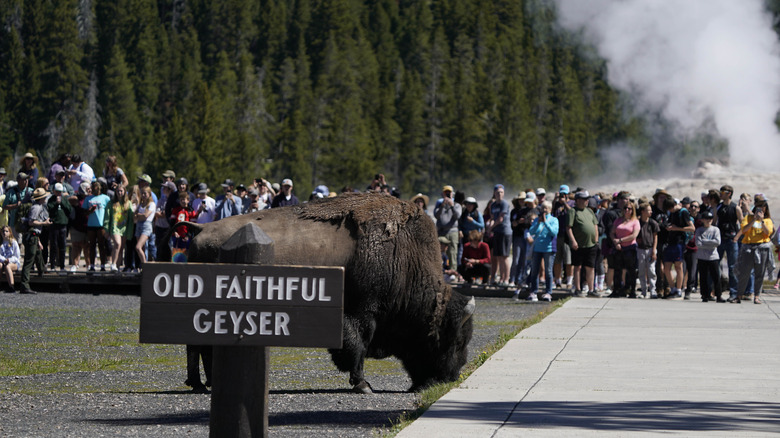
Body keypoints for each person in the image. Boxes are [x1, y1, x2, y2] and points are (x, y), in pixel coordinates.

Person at [732, 199, 774, 304]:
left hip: (762, 247)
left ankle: (757, 296)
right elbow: (744, 230)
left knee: (760, 273)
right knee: (744, 273)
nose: (760, 211)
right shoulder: (748, 218)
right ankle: (739, 295)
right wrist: (754, 220)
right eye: (759, 208)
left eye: (763, 209)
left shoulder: (768, 220)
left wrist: (762, 221)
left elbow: (768, 232)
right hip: (749, 248)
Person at [567, 191, 601, 297]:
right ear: (577, 200)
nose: (587, 201)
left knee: (590, 267)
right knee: (577, 267)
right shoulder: (573, 211)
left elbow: (595, 225)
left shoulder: (590, 211)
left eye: (587, 199)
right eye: (584, 199)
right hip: (578, 244)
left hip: (591, 244)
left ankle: (591, 289)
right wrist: (573, 240)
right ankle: (577, 288)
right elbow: (569, 227)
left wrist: (596, 239)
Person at [662, 196, 695, 300]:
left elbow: (692, 228)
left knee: (678, 266)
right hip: (670, 242)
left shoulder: (683, 212)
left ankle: (679, 290)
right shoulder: (672, 213)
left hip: (679, 243)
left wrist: (677, 228)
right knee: (666, 268)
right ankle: (672, 289)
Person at [19, 188, 51, 294]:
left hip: (34, 236)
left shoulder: (39, 206)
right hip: (31, 236)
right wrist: (44, 224)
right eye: (44, 196)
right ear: (41, 198)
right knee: (29, 260)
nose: (46, 198)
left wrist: (38, 240)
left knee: (38, 254)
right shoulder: (36, 208)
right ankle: (24, 285)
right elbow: (31, 223)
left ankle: (42, 272)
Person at [716, 185, 743, 302]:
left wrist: (737, 237)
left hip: (732, 240)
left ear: (729, 193)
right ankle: (716, 292)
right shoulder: (719, 207)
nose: (721, 194)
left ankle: (734, 293)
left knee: (732, 267)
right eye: (720, 191)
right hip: (720, 239)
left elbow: (743, 224)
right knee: (715, 265)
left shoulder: (736, 207)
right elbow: (714, 222)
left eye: (723, 192)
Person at [527, 200, 558, 302]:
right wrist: (538, 223)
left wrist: (546, 222)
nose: (544, 210)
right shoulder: (537, 219)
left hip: (548, 249)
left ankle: (548, 292)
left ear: (550, 209)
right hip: (537, 248)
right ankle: (533, 292)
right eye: (542, 208)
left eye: (546, 208)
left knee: (548, 271)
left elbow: (554, 232)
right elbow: (531, 231)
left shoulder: (554, 220)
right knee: (534, 270)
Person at [609, 199, 640, 297]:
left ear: (632, 210)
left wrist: (620, 240)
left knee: (631, 270)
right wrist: (615, 241)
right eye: (625, 208)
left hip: (630, 248)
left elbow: (634, 235)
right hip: (618, 248)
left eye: (629, 208)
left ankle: (631, 290)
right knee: (617, 270)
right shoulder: (618, 220)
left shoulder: (635, 221)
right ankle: (616, 290)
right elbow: (612, 232)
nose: (627, 210)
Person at [486, 184, 512, 286]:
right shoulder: (493, 205)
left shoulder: (504, 204)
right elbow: (493, 218)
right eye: (497, 192)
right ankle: (501, 278)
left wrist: (490, 228)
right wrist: (489, 228)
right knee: (499, 256)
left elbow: (500, 219)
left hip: (505, 231)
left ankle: (506, 279)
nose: (499, 194)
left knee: (505, 256)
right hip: (497, 232)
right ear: (494, 193)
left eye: (501, 192)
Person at [695, 210, 723, 302]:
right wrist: (710, 243)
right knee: (703, 277)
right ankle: (705, 295)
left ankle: (718, 295)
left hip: (713, 256)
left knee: (716, 277)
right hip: (702, 257)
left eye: (710, 218)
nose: (709, 220)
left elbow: (717, 242)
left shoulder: (716, 229)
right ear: (702, 220)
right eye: (706, 218)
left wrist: (704, 241)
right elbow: (698, 243)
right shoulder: (699, 230)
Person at [82, 180, 111, 272]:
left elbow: (109, 211)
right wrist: (89, 211)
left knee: (102, 245)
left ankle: (102, 265)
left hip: (101, 225)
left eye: (94, 187)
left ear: (98, 188)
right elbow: (83, 212)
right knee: (92, 246)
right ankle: (92, 265)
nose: (93, 189)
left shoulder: (105, 198)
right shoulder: (88, 198)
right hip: (91, 225)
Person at [105, 185, 134, 272]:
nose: (120, 193)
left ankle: (117, 268)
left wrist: (129, 232)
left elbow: (130, 219)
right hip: (114, 227)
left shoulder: (128, 203)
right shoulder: (111, 203)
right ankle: (113, 263)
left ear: (124, 192)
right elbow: (107, 217)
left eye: (121, 191)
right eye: (118, 191)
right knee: (117, 244)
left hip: (124, 228)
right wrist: (106, 229)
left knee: (121, 248)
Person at [434, 185, 461, 274]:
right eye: (446, 193)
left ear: (452, 194)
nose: (448, 194)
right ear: (442, 194)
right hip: (442, 231)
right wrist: (442, 206)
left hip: (452, 231)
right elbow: (436, 216)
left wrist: (452, 206)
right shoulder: (439, 204)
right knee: (439, 251)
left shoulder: (456, 204)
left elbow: (457, 216)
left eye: (449, 193)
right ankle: (440, 270)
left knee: (452, 252)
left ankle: (453, 271)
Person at [46, 183, 72, 272]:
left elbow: (69, 210)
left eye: (60, 192)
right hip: (54, 226)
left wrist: (62, 203)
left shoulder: (65, 199)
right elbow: (49, 209)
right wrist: (56, 204)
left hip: (63, 225)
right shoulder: (51, 200)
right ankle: (52, 266)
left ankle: (62, 266)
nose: (58, 193)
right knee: (53, 246)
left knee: (62, 246)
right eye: (57, 192)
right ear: (53, 191)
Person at [637, 203, 660, 298]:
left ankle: (653, 290)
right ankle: (643, 291)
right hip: (640, 249)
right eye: (648, 210)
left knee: (651, 270)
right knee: (641, 270)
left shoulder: (653, 223)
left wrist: (654, 250)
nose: (651, 212)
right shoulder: (638, 222)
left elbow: (655, 237)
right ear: (643, 212)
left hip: (650, 249)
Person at [3, 172, 33, 241]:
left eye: (26, 179)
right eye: (24, 179)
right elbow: (5, 206)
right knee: (16, 243)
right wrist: (15, 205)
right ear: (18, 181)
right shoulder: (11, 192)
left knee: (28, 243)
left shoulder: (31, 191)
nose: (26, 181)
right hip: (15, 223)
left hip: (28, 223)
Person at [69, 183, 91, 272]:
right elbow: (69, 199)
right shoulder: (76, 198)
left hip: (88, 226)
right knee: (76, 246)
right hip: (77, 226)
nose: (90, 190)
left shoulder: (91, 197)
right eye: (88, 189)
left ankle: (89, 265)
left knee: (87, 247)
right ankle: (74, 264)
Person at [133, 186, 156, 271]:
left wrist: (139, 215)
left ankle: (145, 266)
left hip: (146, 226)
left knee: (138, 247)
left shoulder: (152, 204)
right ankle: (141, 265)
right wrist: (140, 216)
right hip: (139, 225)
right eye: (142, 193)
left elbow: (146, 216)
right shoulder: (140, 204)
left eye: (145, 193)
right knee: (142, 248)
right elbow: (134, 217)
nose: (143, 195)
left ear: (149, 194)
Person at [0, 225, 21, 292]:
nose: (4, 233)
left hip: (13, 263)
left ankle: (11, 286)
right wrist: (4, 260)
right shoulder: (1, 243)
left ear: (10, 233)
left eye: (6, 231)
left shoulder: (14, 242)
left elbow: (17, 256)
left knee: (7, 266)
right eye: (3, 231)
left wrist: (9, 260)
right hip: (3, 261)